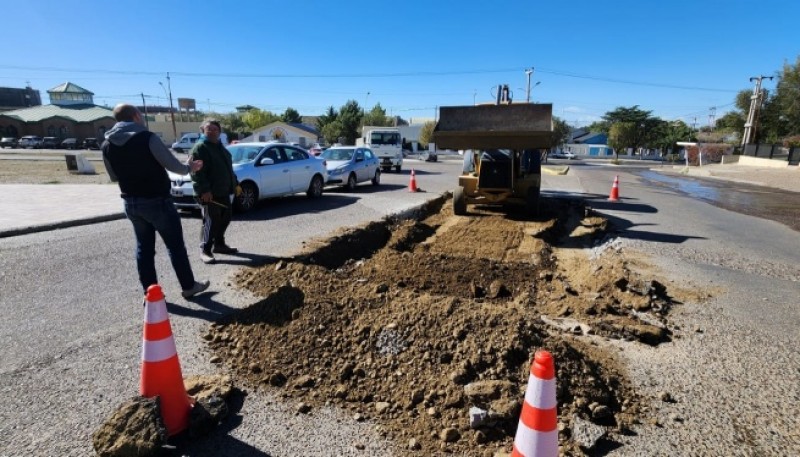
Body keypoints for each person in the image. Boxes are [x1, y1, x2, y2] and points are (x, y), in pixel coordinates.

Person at [102, 103, 210, 299]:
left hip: (130, 203)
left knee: (144, 249)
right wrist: (190, 167)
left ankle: (150, 294)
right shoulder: (147, 137)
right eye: (140, 115)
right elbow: (172, 165)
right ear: (135, 116)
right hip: (156, 201)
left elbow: (113, 176)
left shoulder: (107, 144)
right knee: (175, 246)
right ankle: (188, 286)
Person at [190, 119, 239, 264]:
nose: (212, 131)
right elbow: (197, 173)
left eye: (215, 129)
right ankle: (205, 250)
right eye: (208, 129)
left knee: (226, 217)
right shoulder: (200, 148)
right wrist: (204, 190)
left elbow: (228, 169)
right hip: (209, 193)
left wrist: (235, 183)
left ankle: (219, 244)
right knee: (210, 221)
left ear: (219, 132)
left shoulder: (220, 148)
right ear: (203, 131)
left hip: (223, 191)